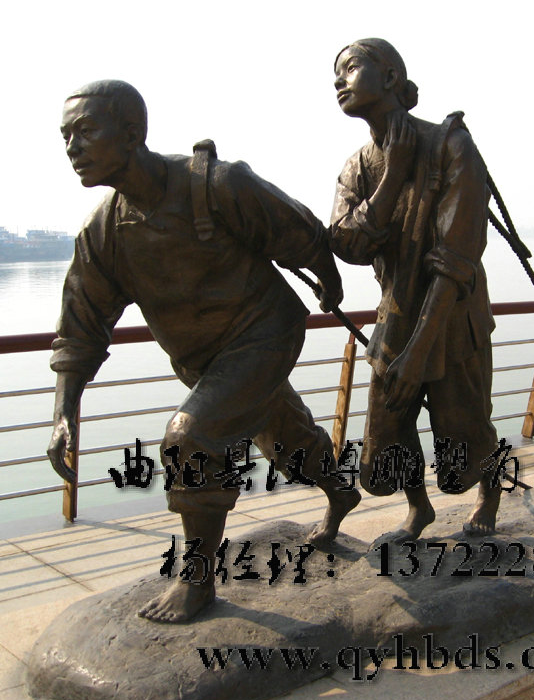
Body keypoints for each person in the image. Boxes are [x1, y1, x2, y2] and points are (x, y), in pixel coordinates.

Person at [48, 80, 360, 623]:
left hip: (265, 332)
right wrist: (62, 414)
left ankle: (196, 580)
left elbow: (294, 227)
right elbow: (80, 328)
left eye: (85, 131)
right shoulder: (104, 232)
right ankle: (340, 491)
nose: (72, 147)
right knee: (282, 435)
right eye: (65, 136)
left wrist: (328, 280)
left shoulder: (214, 184)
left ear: (131, 134)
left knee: (189, 437)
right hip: (202, 361)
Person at [330, 38, 502, 543]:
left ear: (389, 77)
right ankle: (418, 508)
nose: (338, 80)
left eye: (350, 68)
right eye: (335, 73)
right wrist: (393, 177)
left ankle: (489, 492)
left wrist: (419, 351)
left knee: (465, 430)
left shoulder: (451, 144)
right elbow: (346, 242)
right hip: (396, 312)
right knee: (387, 432)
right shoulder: (359, 166)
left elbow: (456, 258)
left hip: (453, 315)